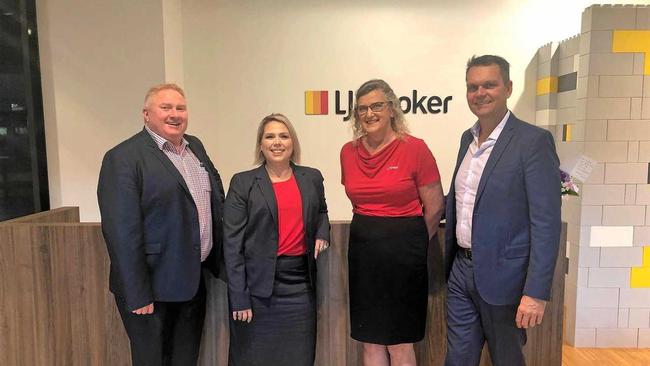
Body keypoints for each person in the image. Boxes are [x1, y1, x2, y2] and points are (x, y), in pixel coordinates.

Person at [444, 55, 561, 366]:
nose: (479, 93)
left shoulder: (533, 142)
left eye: (489, 85)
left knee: (507, 359)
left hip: (505, 277)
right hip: (460, 271)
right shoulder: (465, 140)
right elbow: (464, 199)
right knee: (457, 359)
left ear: (508, 88)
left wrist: (536, 292)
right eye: (472, 87)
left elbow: (546, 223)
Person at [97, 83, 224, 366]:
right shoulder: (123, 158)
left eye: (180, 108)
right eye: (165, 108)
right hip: (151, 289)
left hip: (192, 281)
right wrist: (137, 293)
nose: (175, 114)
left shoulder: (195, 148)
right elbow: (121, 232)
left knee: (185, 359)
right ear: (146, 114)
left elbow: (214, 201)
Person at [340, 79, 445, 366]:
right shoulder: (348, 152)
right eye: (362, 109)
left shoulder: (415, 149)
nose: (369, 114)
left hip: (405, 250)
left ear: (391, 109)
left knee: (400, 341)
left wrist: (411, 243)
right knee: (370, 339)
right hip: (363, 250)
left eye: (376, 106)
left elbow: (435, 206)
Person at [224, 113, 330, 366]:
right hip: (257, 292)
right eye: (269, 136)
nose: (277, 142)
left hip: (300, 288)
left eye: (284, 136)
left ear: (293, 142)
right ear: (260, 145)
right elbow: (232, 245)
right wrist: (239, 297)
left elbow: (322, 210)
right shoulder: (243, 183)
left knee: (299, 358)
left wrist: (322, 232)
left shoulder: (311, 178)